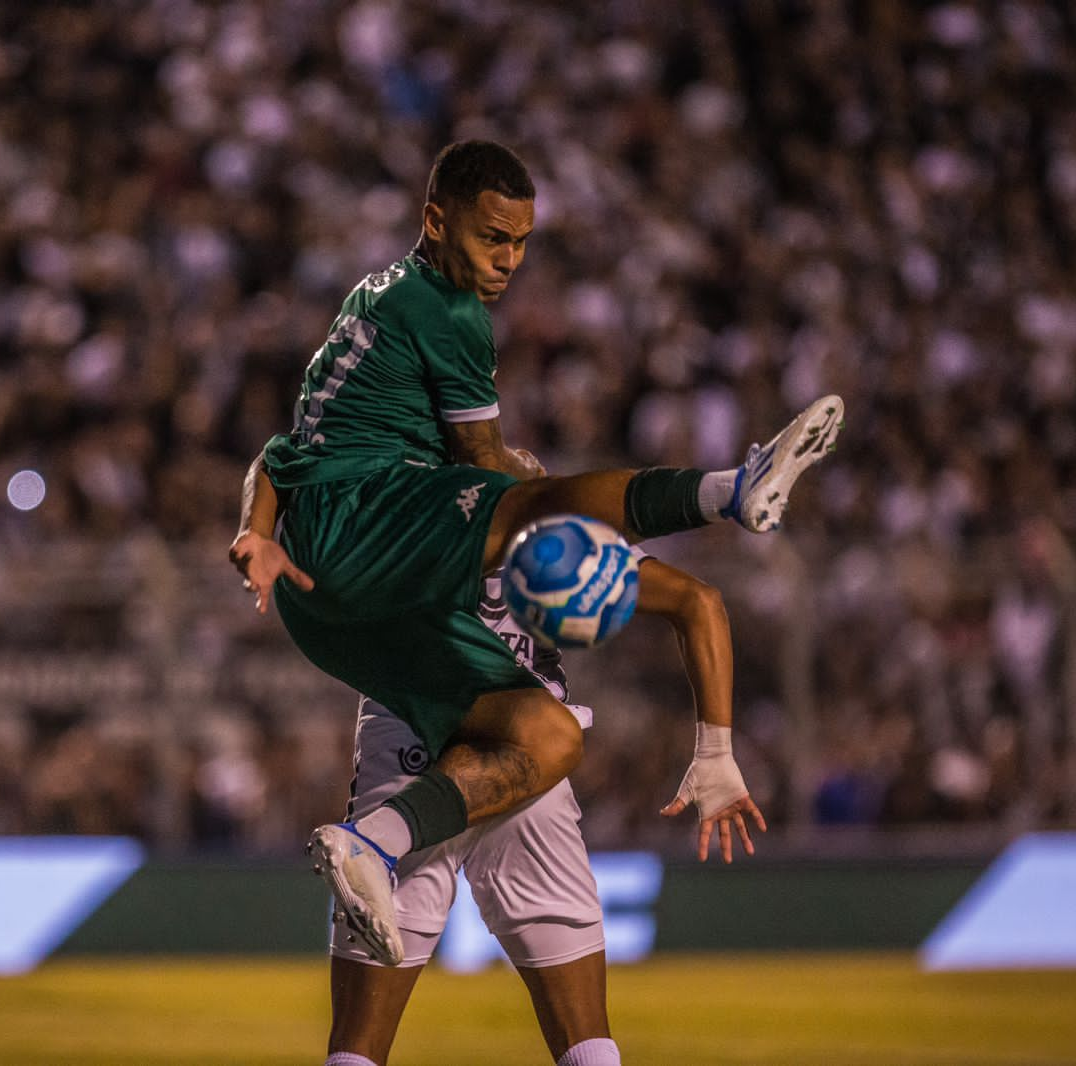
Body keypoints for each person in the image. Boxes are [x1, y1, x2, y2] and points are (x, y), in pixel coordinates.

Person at [230, 140, 839, 967]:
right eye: (492, 238)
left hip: (333, 603)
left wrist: (255, 535)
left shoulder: (374, 302)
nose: (509, 260)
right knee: (539, 506)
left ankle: (367, 843)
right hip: (361, 529)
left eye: (521, 242)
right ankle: (732, 488)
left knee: (551, 737)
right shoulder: (445, 311)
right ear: (435, 220)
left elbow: (276, 453)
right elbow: (491, 468)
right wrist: (521, 481)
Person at [326, 556, 743, 1066]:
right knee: (585, 1039)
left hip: (416, 744)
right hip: (525, 747)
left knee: (358, 1046)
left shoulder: (403, 506)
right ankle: (375, 840)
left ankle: (376, 840)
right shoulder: (548, 527)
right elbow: (696, 598)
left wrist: (257, 530)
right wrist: (717, 753)